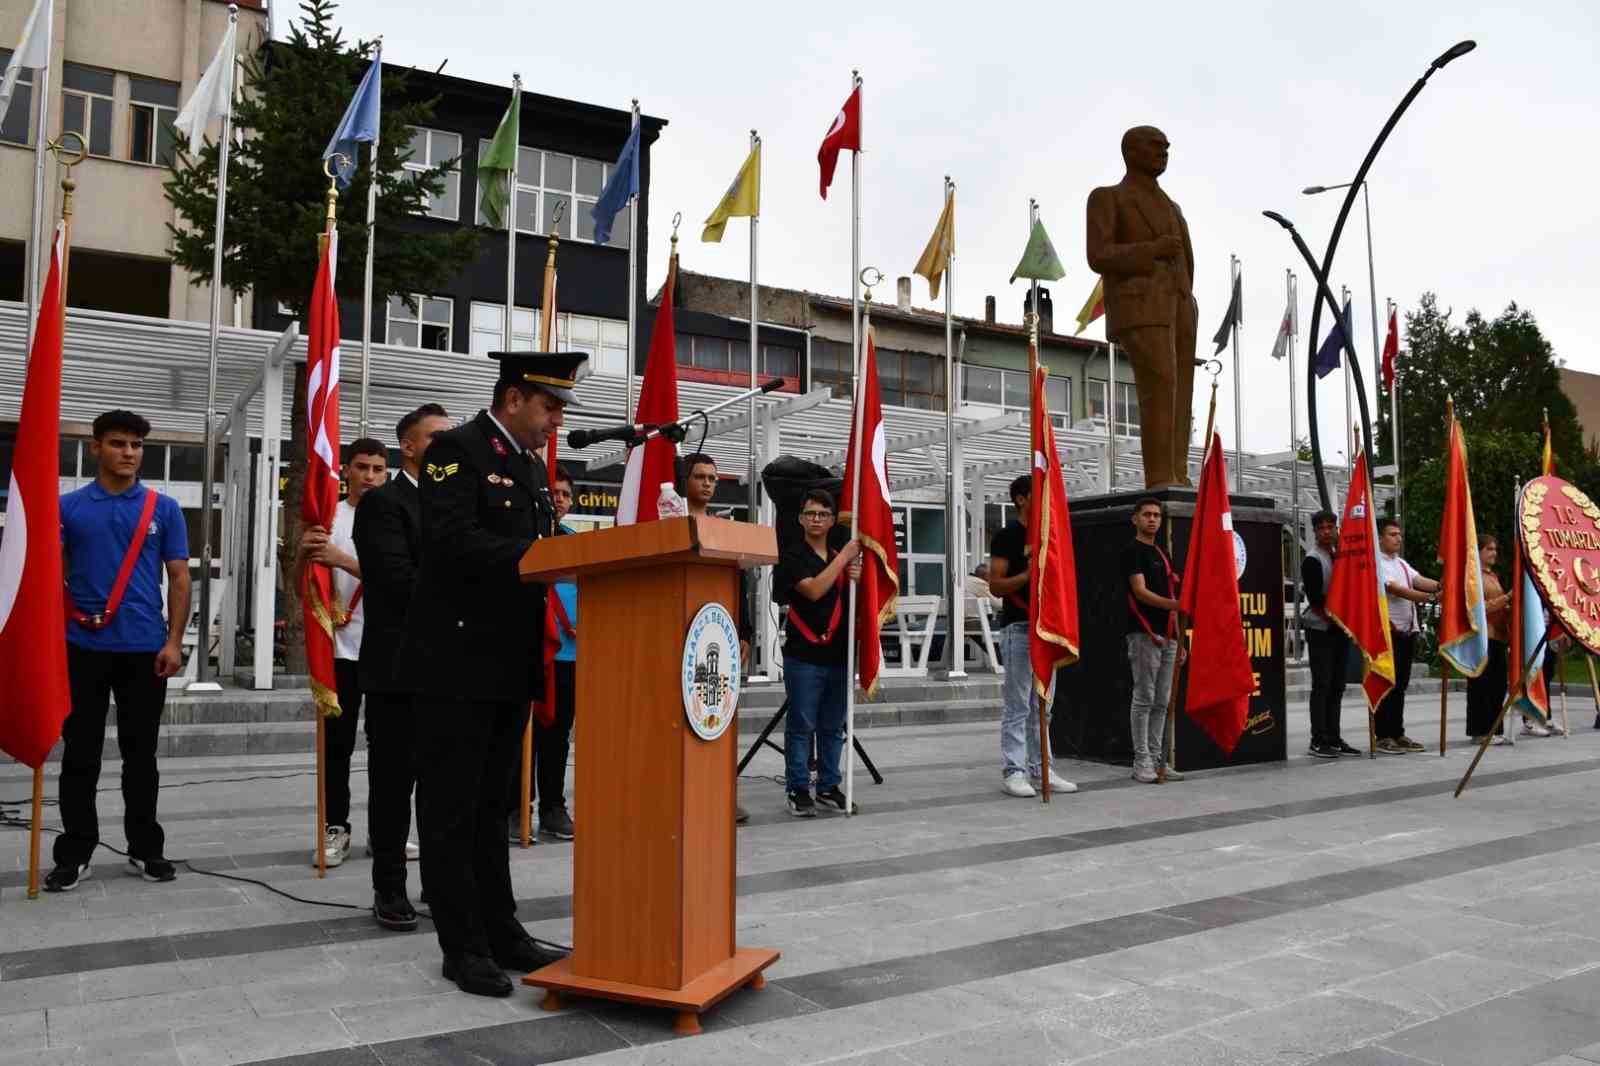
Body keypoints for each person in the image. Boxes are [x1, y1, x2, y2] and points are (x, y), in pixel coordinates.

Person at [399, 351, 586, 997]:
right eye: (549, 407)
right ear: (513, 398)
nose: (556, 421)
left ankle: (501, 929)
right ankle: (463, 946)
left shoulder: (530, 467)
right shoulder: (456, 450)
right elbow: (450, 543)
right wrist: (547, 558)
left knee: (491, 807)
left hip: (508, 661)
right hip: (455, 662)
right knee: (453, 808)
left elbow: (534, 547)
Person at [47, 410, 190, 892]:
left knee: (141, 756)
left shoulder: (162, 508)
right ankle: (75, 852)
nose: (128, 453)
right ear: (95, 449)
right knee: (80, 755)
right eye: (118, 443)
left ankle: (146, 848)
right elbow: (45, 575)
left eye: (135, 445)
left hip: (144, 648)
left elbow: (180, 576)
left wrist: (174, 641)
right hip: (80, 646)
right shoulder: (66, 508)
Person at [353, 403, 451, 931]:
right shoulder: (383, 504)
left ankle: (439, 884)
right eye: (436, 438)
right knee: (393, 785)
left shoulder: (459, 502)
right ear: (408, 447)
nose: (448, 446)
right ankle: (389, 886)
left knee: (441, 786)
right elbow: (395, 579)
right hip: (397, 668)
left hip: (452, 671)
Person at [1085, 126, 1198, 489]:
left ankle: (1177, 472)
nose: (1164, 152)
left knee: (1181, 390)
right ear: (1130, 152)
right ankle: (1160, 477)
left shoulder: (1172, 205)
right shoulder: (1108, 197)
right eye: (1155, 147)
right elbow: (1099, 254)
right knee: (1160, 384)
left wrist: (1187, 299)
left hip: (1178, 307)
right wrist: (1151, 250)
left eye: (1167, 147)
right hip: (1141, 307)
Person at [300, 438, 387, 868]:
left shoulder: (399, 513)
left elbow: (405, 573)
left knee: (389, 745)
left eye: (378, 469)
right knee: (336, 744)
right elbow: (304, 577)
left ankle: (384, 830)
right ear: (346, 470)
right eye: (362, 467)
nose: (370, 476)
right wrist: (305, 556)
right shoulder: (329, 516)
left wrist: (344, 560)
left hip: (388, 644)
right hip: (340, 646)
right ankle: (335, 827)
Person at [989, 475, 1078, 798]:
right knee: (1018, 706)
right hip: (1019, 628)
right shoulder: (1007, 536)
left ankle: (1042, 767)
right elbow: (996, 585)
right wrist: (1027, 575)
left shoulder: (1049, 536)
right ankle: (1014, 770)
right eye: (1039, 494)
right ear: (1021, 499)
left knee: (1044, 704)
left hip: (1048, 631)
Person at [776, 488, 860, 816]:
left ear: (831, 520)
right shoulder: (792, 554)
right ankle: (798, 787)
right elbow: (812, 590)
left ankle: (828, 785)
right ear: (800, 519)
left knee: (831, 725)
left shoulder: (840, 554)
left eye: (823, 514)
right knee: (801, 724)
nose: (816, 519)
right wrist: (843, 560)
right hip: (803, 654)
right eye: (810, 513)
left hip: (839, 655)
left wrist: (856, 575)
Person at [680, 452, 754, 825]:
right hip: (681, 640)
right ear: (684, 480)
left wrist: (744, 633)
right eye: (700, 477)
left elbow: (738, 583)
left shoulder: (724, 529)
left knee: (718, 719)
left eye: (712, 478)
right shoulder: (670, 523)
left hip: (719, 641)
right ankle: (682, 796)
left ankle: (720, 794)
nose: (708, 483)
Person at [1122, 497, 1185, 784]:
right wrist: (1174, 606)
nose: (1152, 519)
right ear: (1135, 519)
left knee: (1163, 701)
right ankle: (1141, 760)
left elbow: (1173, 593)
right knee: (1144, 698)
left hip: (1170, 635)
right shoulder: (1132, 551)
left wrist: (1181, 640)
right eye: (1146, 514)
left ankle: (1159, 759)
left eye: (1157, 515)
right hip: (1144, 633)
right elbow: (1140, 592)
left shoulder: (1162, 552)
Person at [533, 463, 578, 841]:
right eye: (552, 493)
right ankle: (515, 807)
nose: (558, 501)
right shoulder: (525, 540)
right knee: (519, 737)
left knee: (556, 736)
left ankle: (552, 806)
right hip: (526, 652)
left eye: (564, 494)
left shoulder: (577, 544)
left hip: (566, 657)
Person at [1375, 518, 1439, 754]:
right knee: (1386, 683)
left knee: (1400, 685)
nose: (1398, 538)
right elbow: (1395, 590)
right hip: (1387, 631)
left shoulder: (1401, 563)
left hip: (1407, 631)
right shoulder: (1376, 563)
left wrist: (1443, 585)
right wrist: (1430, 598)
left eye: (1399, 534)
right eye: (1393, 534)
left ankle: (1397, 732)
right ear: (1380, 537)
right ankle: (1382, 735)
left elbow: (1419, 581)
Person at [1301, 510, 1358, 758]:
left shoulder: (1341, 557)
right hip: (1321, 629)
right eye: (1321, 528)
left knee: (1337, 685)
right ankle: (1318, 738)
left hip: (1340, 629)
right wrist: (1335, 620)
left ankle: (1334, 737)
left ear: (1336, 529)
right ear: (1315, 531)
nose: (1327, 531)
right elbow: (1316, 599)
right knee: (1322, 685)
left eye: (1330, 527)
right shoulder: (1312, 560)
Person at [1466, 534, 1511, 746]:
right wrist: (1507, 598)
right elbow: (1478, 609)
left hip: (1499, 637)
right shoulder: (1474, 576)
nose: (1493, 553)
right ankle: (1479, 730)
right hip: (1483, 637)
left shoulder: (1492, 575)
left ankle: (1494, 729)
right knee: (1481, 686)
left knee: (1498, 684)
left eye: (1495, 549)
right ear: (1479, 552)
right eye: (1489, 549)